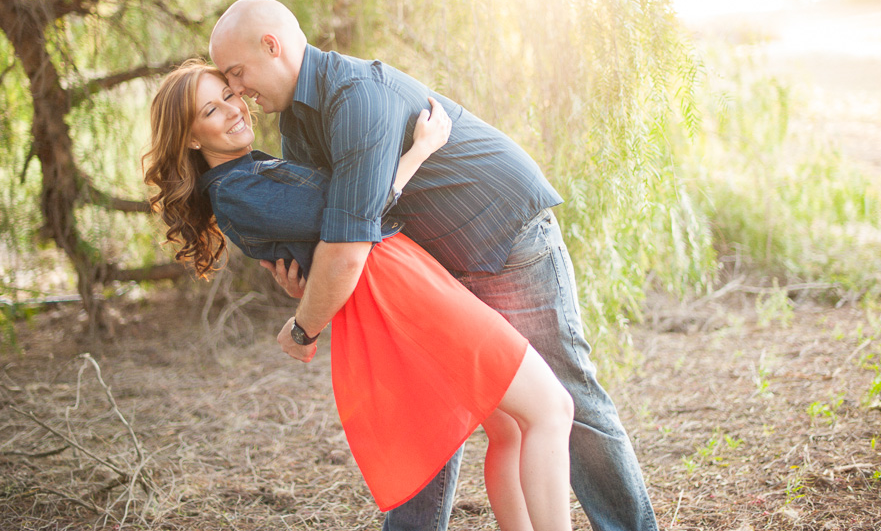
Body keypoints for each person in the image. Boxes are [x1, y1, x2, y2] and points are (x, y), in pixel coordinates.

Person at [208, 0, 659, 531]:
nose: (237, 90)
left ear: (271, 46)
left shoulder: (357, 95)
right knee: (471, 418)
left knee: (569, 400)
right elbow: (335, 227)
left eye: (236, 74)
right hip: (435, 266)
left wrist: (306, 323)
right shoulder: (296, 130)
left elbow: (350, 237)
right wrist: (307, 277)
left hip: (505, 239)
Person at [142, 59, 574, 530]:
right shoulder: (237, 190)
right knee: (551, 409)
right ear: (190, 138)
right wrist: (420, 150)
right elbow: (354, 214)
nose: (233, 109)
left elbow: (334, 228)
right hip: (396, 287)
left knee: (509, 427)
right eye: (211, 109)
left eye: (229, 95)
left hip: (397, 278)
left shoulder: (249, 171)